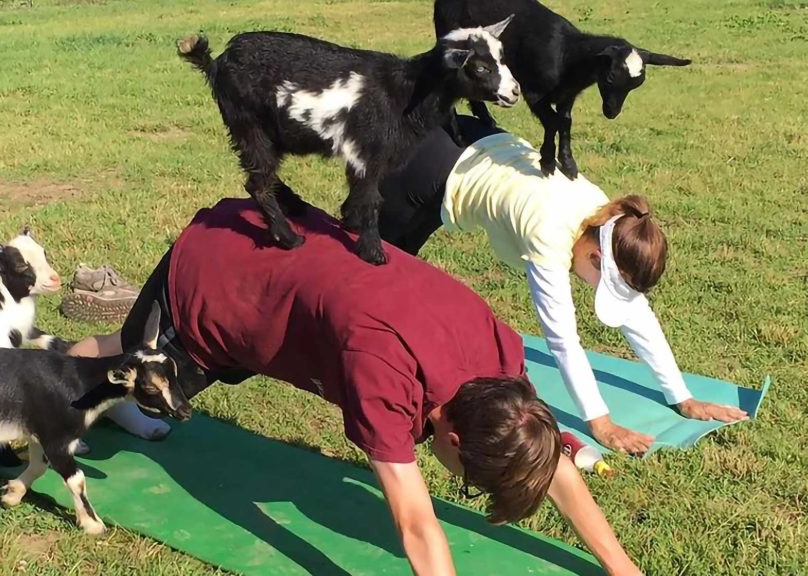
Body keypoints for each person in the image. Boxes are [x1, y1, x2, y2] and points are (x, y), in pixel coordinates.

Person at [69, 198, 644, 575]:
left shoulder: (500, 365)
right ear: (453, 440)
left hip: (291, 265)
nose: (455, 486)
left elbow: (551, 460)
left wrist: (622, 566)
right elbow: (416, 523)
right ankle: (49, 382)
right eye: (465, 483)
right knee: (130, 369)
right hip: (219, 276)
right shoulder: (384, 376)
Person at [375, 115, 748, 455]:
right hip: (427, 166)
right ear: (597, 261)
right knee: (377, 271)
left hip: (476, 138)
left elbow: (637, 316)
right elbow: (563, 340)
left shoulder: (610, 221)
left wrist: (681, 397)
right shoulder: (550, 235)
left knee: (391, 273)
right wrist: (600, 422)